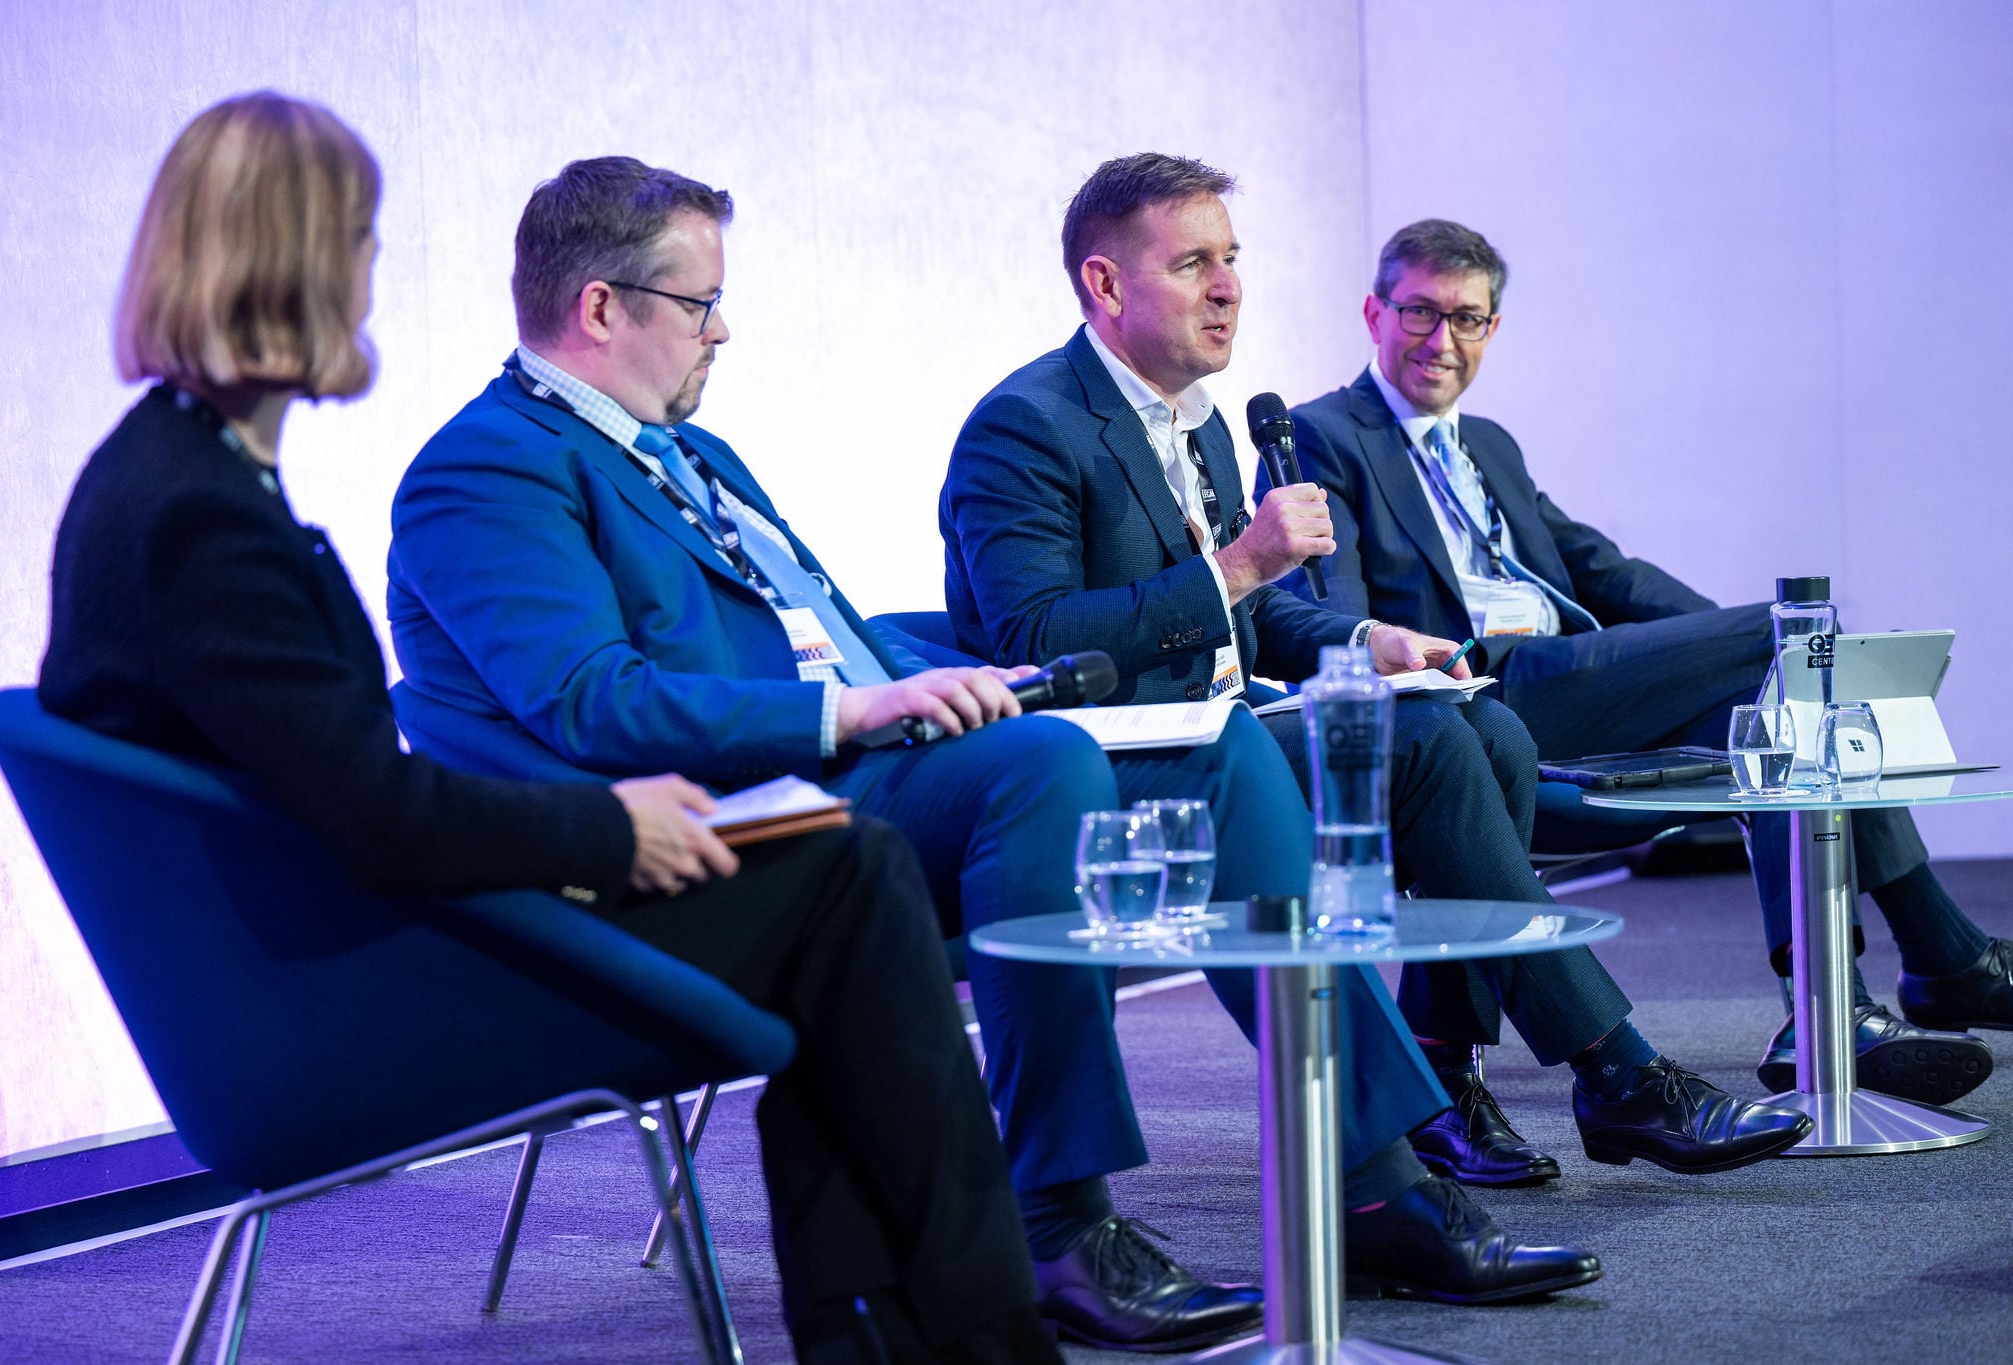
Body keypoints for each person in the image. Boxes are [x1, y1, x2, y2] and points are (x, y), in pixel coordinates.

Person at [382, 155, 1601, 1337]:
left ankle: (1373, 1181)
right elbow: (591, 704)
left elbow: (829, 630)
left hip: (830, 776)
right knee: (1042, 763)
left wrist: (937, 680)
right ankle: (1056, 1221)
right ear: (601, 308)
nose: (721, 330)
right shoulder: (487, 471)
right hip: (693, 829)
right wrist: (853, 714)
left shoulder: (692, 453)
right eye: (701, 304)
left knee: (1221, 753)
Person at [36, 93, 1059, 1365]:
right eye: (358, 241)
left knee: (834, 873)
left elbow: (344, 788)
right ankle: (971, 1337)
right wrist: (612, 827)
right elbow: (378, 817)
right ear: (294, 262)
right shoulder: (198, 522)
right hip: (343, 997)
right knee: (842, 875)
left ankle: (905, 1334)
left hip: (322, 956)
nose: (368, 277)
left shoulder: (177, 479)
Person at [940, 153, 1813, 1196]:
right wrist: (1241, 562)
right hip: (1131, 756)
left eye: (1231, 259)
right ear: (1106, 282)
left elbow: (1251, 617)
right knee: (1430, 740)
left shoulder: (1199, 420)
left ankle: (1461, 1074)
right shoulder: (1026, 424)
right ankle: (1612, 1073)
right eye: (1192, 264)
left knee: (1482, 727)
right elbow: (1034, 634)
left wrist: (1364, 643)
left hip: (1231, 722)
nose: (1228, 288)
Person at [1269, 217, 1999, 1100]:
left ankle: (1827, 1010)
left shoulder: (1488, 444)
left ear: (1493, 328)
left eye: (1467, 318)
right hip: (1476, 694)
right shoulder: (1324, 434)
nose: (1442, 340)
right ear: (1374, 313)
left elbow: (1604, 570)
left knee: (1778, 703)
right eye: (1420, 312)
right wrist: (1761, 639)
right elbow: (1332, 617)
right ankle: (1944, 956)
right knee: (1787, 642)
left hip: (1575, 684)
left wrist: (1742, 652)